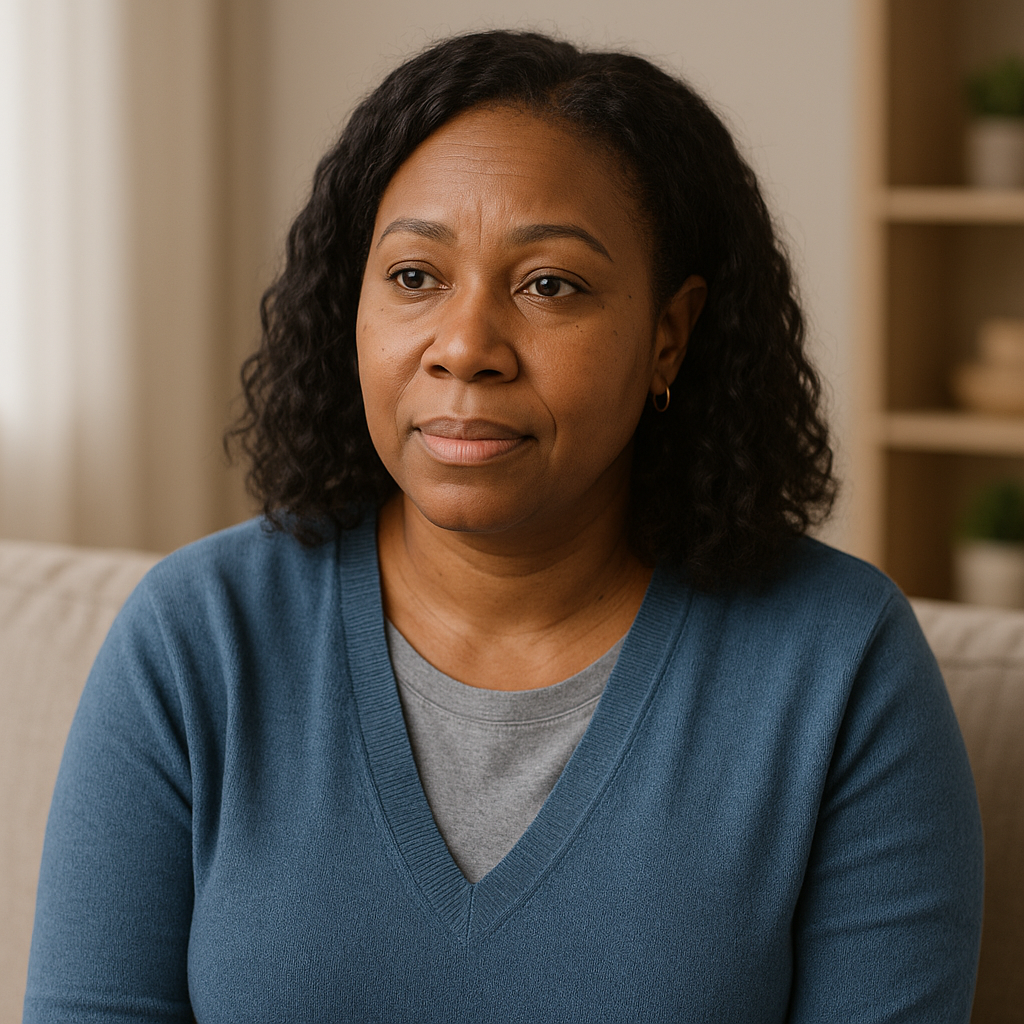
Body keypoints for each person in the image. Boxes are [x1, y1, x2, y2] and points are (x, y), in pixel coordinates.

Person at [25, 30, 982, 1023]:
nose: (466, 346)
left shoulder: (838, 663)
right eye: (412, 277)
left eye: (549, 285)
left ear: (670, 333)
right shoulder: (194, 640)